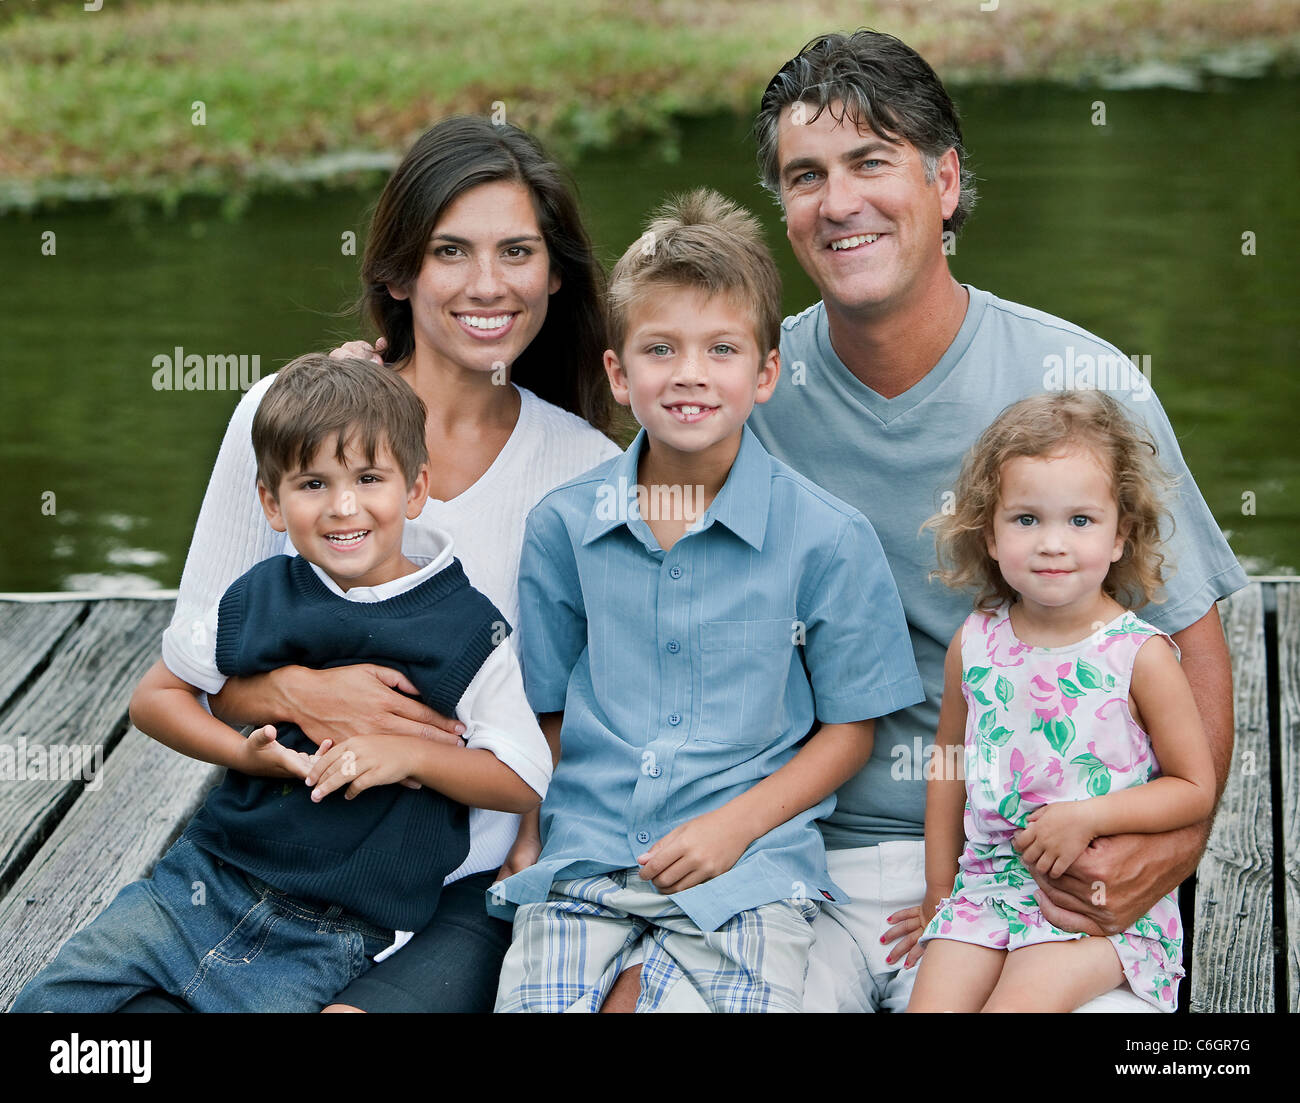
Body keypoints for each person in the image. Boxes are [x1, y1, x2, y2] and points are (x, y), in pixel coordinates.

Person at [601, 29, 1241, 1014]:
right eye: (805, 176)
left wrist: (1171, 845)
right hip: (795, 856)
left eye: (871, 162)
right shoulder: (738, 392)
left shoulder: (1082, 388)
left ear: (944, 182)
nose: (840, 200)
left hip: (1030, 866)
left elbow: (1190, 641)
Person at [141, 116, 621, 1013]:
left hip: (467, 883)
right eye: (451, 251)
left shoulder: (590, 470)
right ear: (400, 274)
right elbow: (194, 678)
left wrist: (534, 829)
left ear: (555, 272)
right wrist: (301, 694)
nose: (489, 285)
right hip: (272, 863)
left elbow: (578, 706)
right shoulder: (283, 419)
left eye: (518, 251)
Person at [490, 189, 924, 1012]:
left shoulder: (827, 537)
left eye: (721, 348)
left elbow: (850, 730)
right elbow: (547, 710)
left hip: (747, 875)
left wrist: (738, 826)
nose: (689, 373)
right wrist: (531, 831)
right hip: (586, 860)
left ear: (765, 373)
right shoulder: (563, 529)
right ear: (619, 373)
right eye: (660, 348)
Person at [13, 355, 552, 1012]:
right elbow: (153, 699)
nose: (343, 505)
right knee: (47, 1005)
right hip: (199, 882)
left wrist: (410, 754)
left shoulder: (468, 628)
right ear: (272, 502)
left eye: (369, 477)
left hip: (335, 931)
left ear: (415, 489)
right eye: (313, 483)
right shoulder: (261, 596)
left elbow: (523, 777)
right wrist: (243, 752)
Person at [906, 391, 1216, 1012]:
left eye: (1080, 520)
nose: (1052, 543)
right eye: (1026, 520)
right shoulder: (975, 642)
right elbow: (948, 768)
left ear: (1120, 535)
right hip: (988, 885)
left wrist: (1088, 817)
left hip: (1092, 901)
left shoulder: (1139, 654)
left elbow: (1193, 786)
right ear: (989, 535)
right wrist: (939, 894)